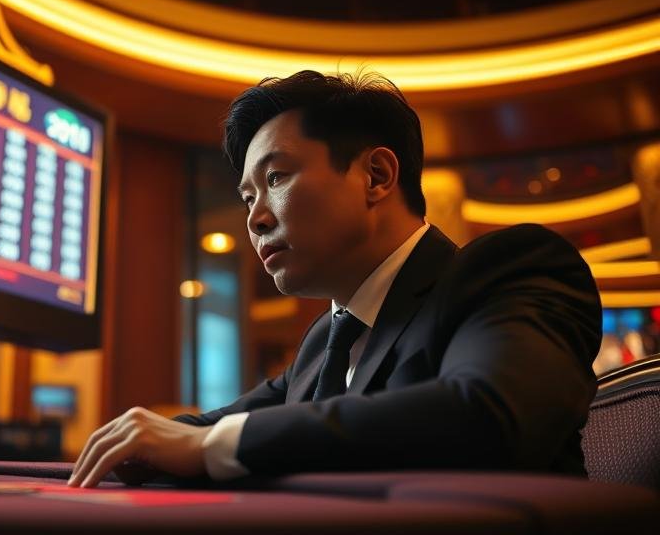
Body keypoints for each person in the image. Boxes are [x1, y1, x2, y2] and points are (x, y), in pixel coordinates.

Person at [68, 71, 602, 488]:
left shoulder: (507, 271)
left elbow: (487, 416)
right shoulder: (327, 338)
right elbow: (217, 426)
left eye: (276, 178)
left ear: (376, 176)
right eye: (248, 198)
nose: (255, 219)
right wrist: (145, 439)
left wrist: (212, 446)